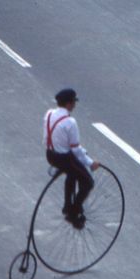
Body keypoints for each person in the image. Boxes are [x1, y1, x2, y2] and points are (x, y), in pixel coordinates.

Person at [43, 89, 100, 229]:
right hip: (64, 158)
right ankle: (73, 211)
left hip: (50, 155)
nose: (75, 105)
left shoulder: (49, 114)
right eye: (74, 102)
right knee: (87, 182)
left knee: (73, 173)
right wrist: (90, 162)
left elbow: (46, 138)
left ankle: (68, 206)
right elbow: (75, 149)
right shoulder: (70, 122)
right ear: (69, 104)